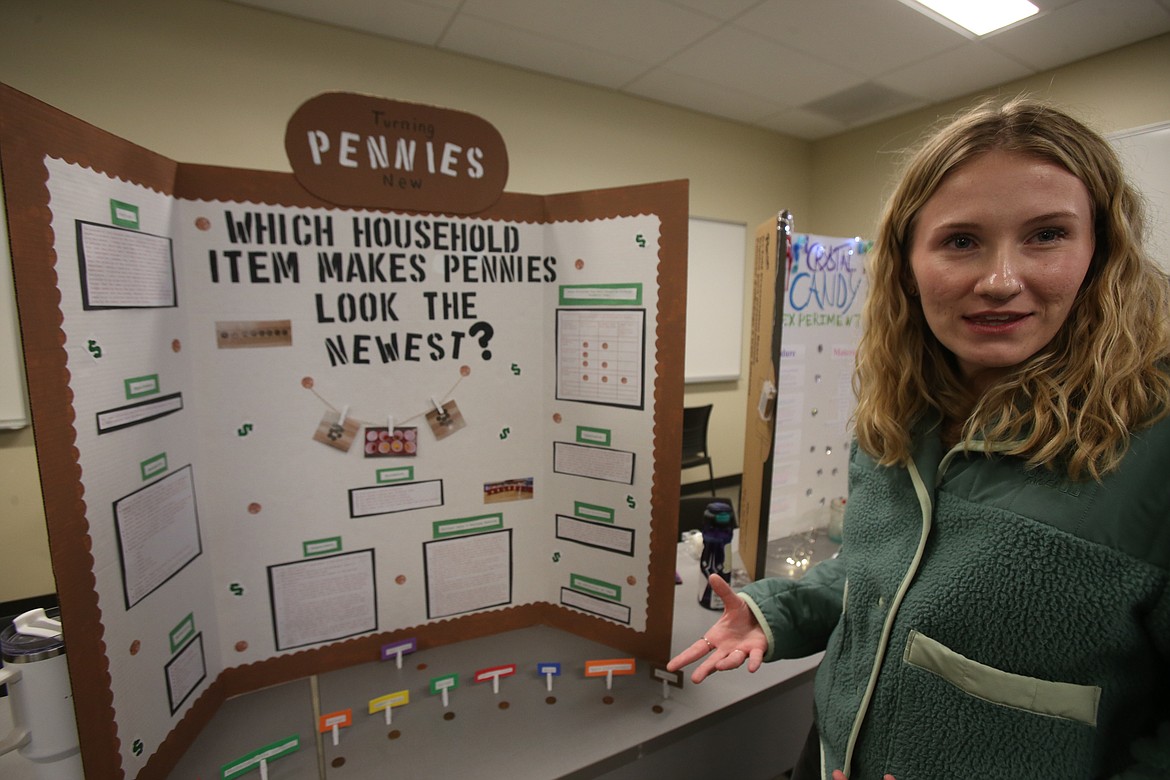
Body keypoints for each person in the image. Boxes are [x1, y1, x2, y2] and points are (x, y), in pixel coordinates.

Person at [668, 96, 1170, 780]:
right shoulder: (900, 412)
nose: (999, 280)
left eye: (1047, 234)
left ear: (1101, 253)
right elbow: (880, 576)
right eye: (961, 241)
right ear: (906, 264)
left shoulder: (1153, 443)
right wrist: (773, 611)